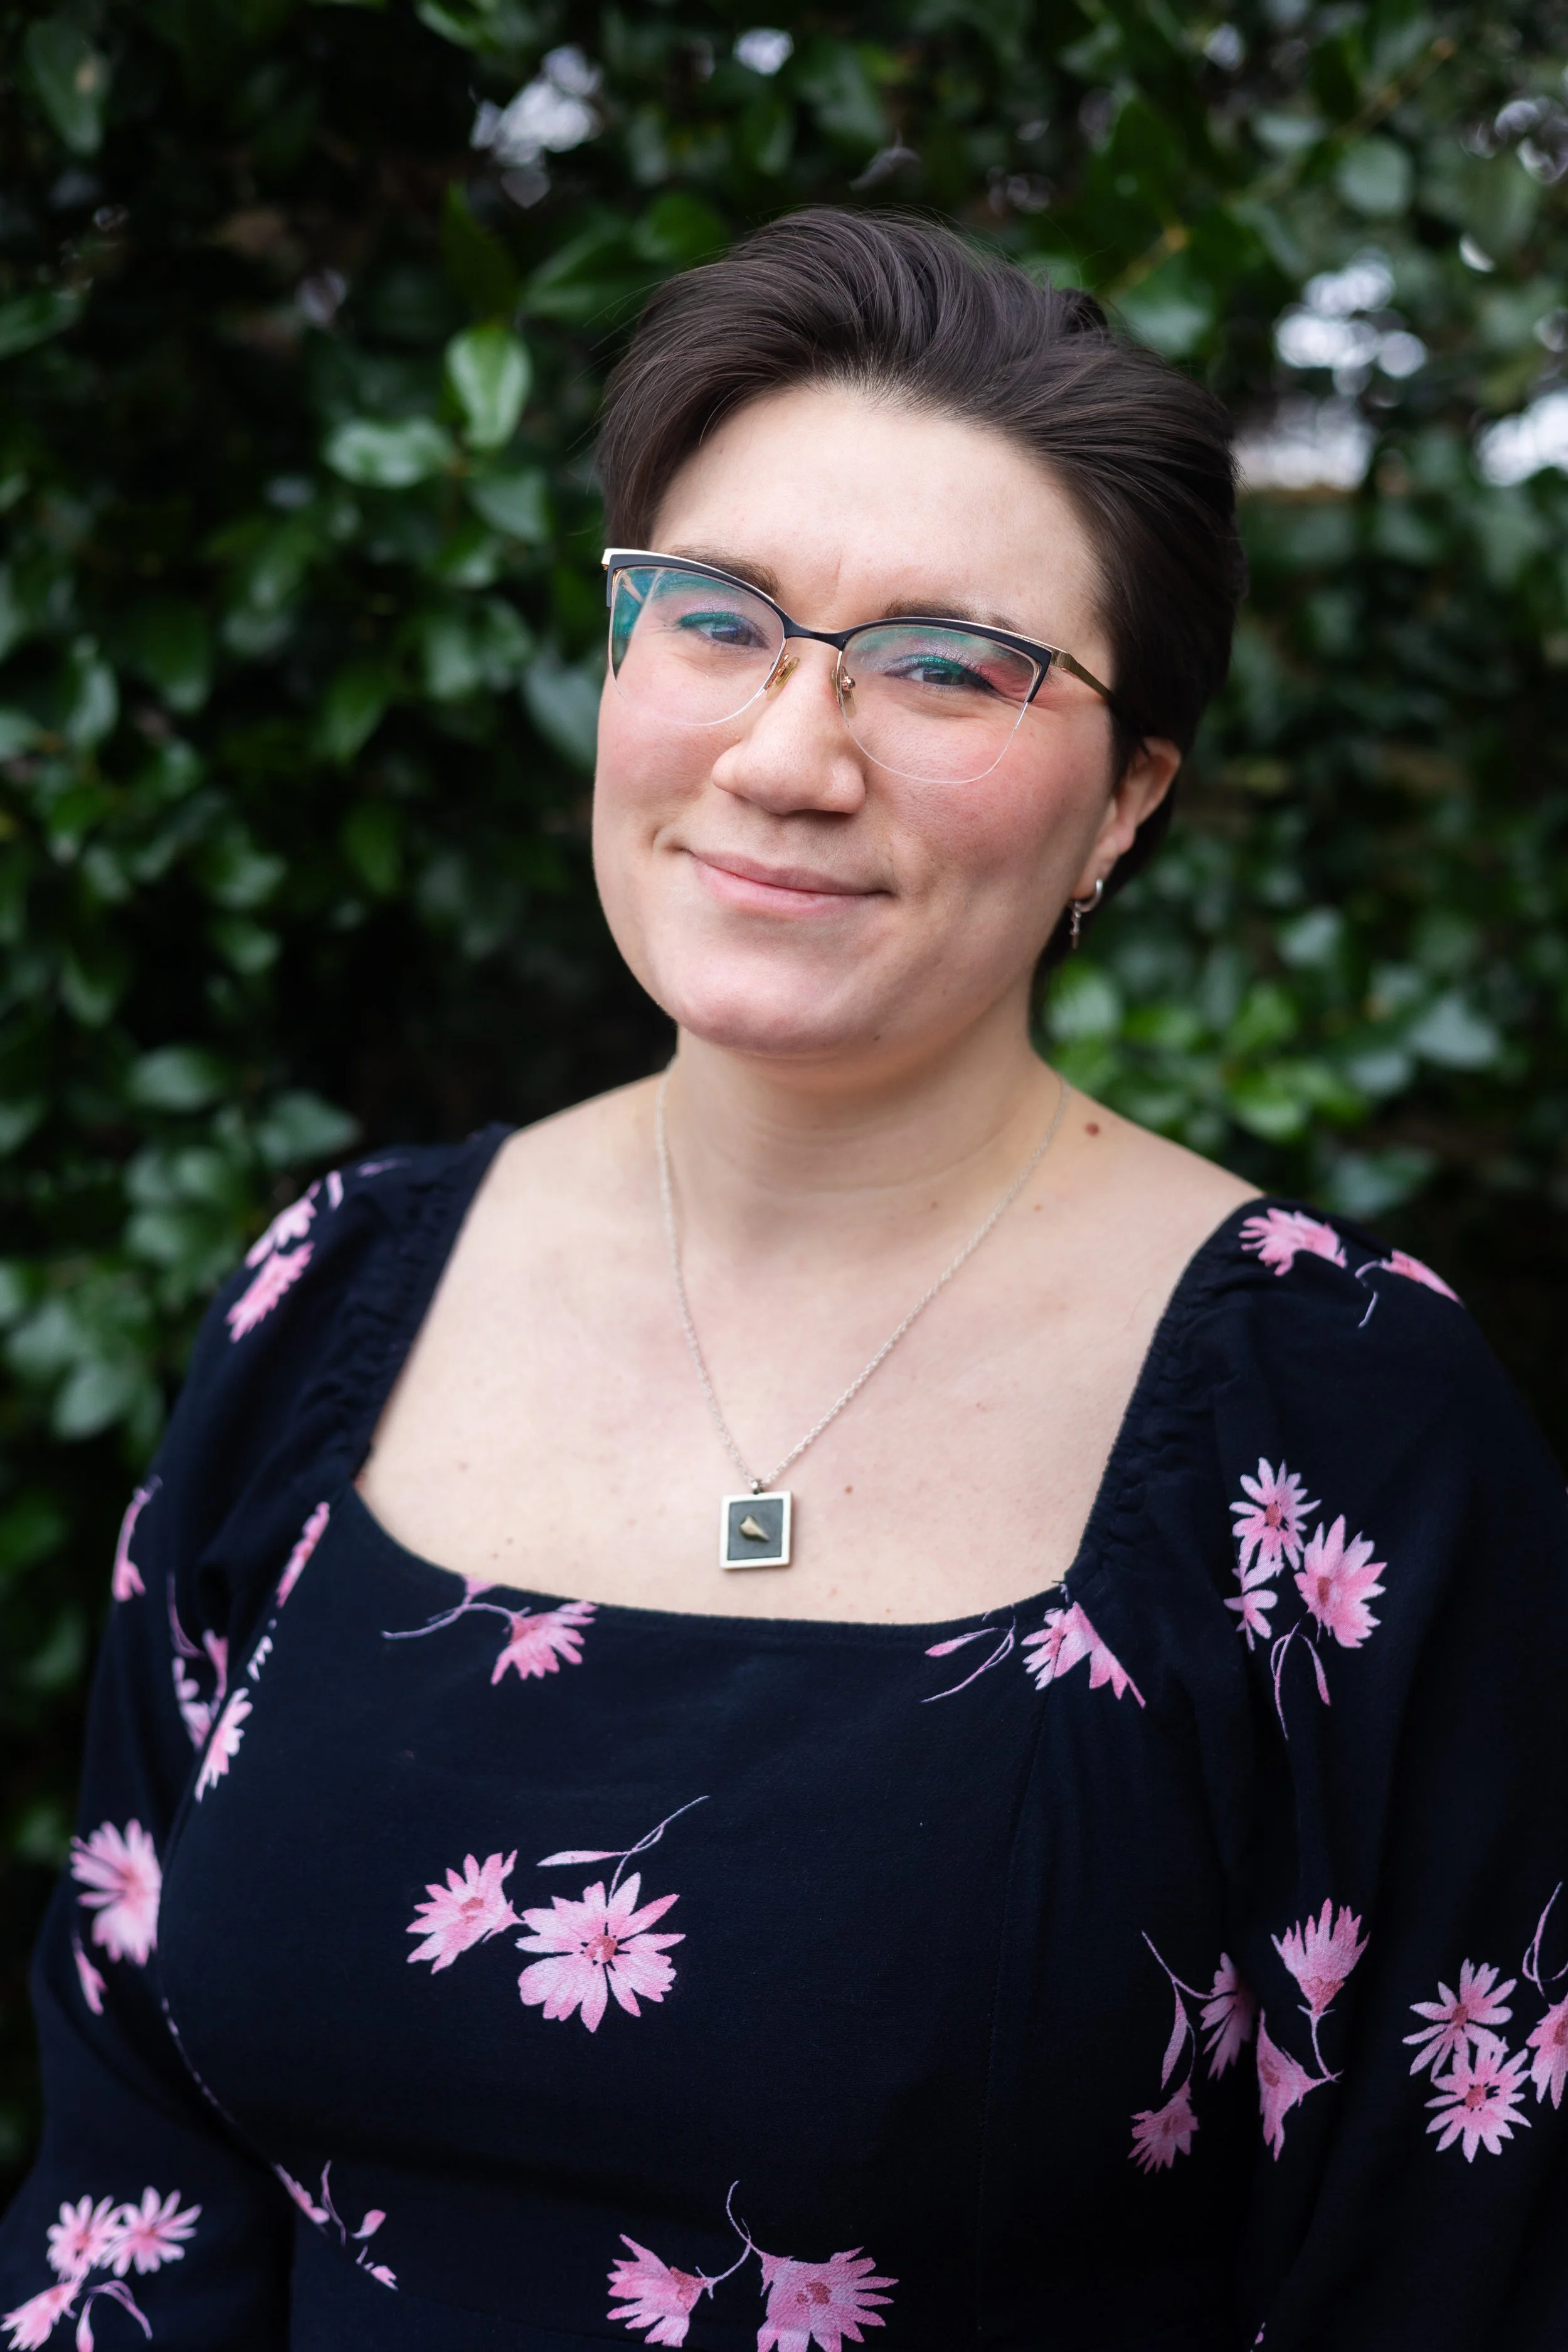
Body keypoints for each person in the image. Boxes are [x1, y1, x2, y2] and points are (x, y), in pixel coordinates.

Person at [2, 209, 1564, 2352]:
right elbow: (130, 2173)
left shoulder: (1337, 1414)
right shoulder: (327, 1299)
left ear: (1126, 801)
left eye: (949, 663)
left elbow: (1444, 2263)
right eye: (715, 618)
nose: (785, 753)